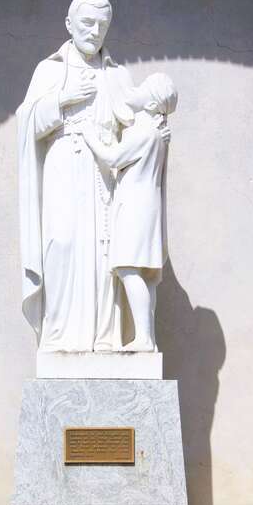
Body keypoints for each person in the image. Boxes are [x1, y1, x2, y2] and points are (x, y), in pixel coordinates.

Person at [16, 0, 135, 352]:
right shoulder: (50, 71)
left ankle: (104, 338)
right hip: (63, 164)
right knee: (62, 243)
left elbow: (135, 125)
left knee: (105, 253)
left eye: (102, 25)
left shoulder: (117, 75)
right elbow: (27, 124)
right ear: (69, 25)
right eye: (87, 23)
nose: (95, 31)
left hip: (103, 174)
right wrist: (62, 98)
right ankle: (61, 336)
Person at [79, 73, 178, 351]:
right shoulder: (156, 133)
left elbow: (113, 157)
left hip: (135, 207)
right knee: (145, 274)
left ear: (150, 105)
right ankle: (149, 337)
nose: (137, 88)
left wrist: (89, 136)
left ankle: (144, 338)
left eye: (144, 88)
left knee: (127, 267)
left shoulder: (143, 133)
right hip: (148, 207)